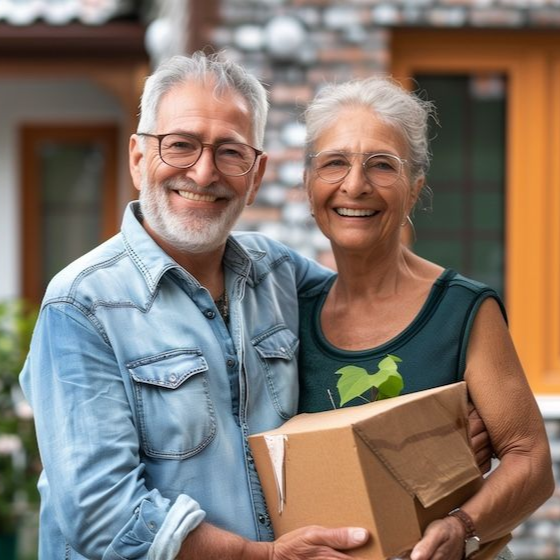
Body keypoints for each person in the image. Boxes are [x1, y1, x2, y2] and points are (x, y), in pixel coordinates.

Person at [19, 52, 372, 560]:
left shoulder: (279, 273)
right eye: (180, 145)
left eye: (230, 152)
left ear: (255, 176)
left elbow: (377, 316)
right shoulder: (81, 305)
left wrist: (450, 411)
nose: (204, 173)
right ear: (139, 158)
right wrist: (264, 557)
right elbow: (103, 515)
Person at [296, 77, 554, 559]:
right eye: (334, 163)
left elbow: (532, 461)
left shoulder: (461, 310)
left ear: (415, 189)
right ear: (309, 185)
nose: (355, 185)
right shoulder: (287, 313)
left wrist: (463, 526)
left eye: (382, 165)